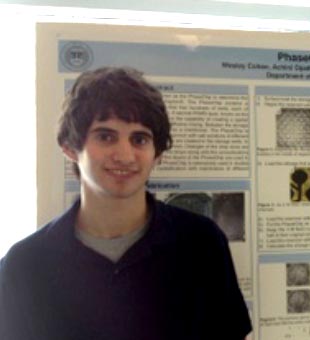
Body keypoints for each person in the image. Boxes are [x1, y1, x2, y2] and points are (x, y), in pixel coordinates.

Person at [0, 67, 252, 340]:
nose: (124, 155)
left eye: (139, 139)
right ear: (70, 147)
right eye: (106, 136)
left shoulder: (201, 243)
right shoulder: (25, 265)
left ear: (157, 154)